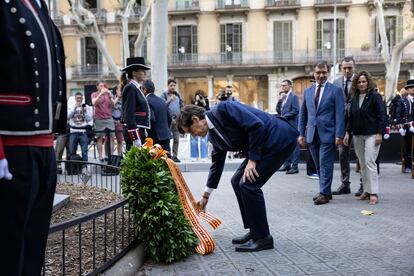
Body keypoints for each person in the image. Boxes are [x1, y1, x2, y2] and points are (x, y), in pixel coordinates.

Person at [0, 0, 67, 274]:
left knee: (31, 252)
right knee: (7, 254)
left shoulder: (40, 6)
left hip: (43, 146)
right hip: (11, 148)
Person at [177, 102, 299, 252]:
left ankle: (263, 238)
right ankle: (255, 230)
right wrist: (205, 196)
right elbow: (217, 164)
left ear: (196, 119)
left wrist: (252, 160)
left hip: (278, 139)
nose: (193, 135)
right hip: (264, 146)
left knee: (248, 184)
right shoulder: (213, 136)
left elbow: (256, 126)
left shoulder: (224, 109)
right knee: (236, 181)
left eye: (190, 131)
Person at [298, 61, 345, 205]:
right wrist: (301, 134)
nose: (321, 75)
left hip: (328, 134)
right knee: (318, 165)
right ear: (314, 73)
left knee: (325, 163)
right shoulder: (307, 91)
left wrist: (339, 135)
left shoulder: (336, 90)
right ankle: (325, 190)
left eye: (324, 72)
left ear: (328, 73)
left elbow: (340, 114)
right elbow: (303, 115)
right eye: (318, 72)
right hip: (312, 134)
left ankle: (324, 193)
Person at [343, 71, 386, 205]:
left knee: (370, 162)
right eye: (359, 82)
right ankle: (366, 191)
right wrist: (347, 132)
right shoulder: (354, 97)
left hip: (372, 134)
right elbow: (351, 117)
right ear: (356, 84)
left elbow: (382, 116)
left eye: (364, 81)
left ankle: (373, 193)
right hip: (357, 134)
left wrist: (380, 133)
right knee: (362, 163)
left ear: (368, 82)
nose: (361, 84)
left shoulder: (375, 96)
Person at [332, 57, 356, 196]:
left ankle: (363, 185)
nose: (347, 71)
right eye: (344, 68)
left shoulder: (360, 81)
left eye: (350, 68)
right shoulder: (336, 83)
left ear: (354, 67)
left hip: (358, 124)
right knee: (342, 155)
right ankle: (345, 184)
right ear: (341, 68)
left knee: (361, 156)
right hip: (342, 125)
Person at [121, 57, 151, 150]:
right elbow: (129, 115)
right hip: (135, 132)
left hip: (140, 130)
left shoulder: (136, 88)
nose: (144, 73)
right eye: (142, 70)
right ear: (134, 73)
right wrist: (135, 138)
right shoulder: (131, 88)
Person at [68, 92, 93, 182]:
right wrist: (75, 107)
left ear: (82, 98)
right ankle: (74, 168)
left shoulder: (86, 107)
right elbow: (68, 116)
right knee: (72, 151)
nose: (79, 99)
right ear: (75, 98)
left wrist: (85, 111)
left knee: (84, 151)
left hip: (83, 131)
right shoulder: (71, 106)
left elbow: (90, 119)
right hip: (73, 131)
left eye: (80, 98)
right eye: (77, 98)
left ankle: (84, 168)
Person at [142, 80, 172, 154]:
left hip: (154, 137)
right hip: (165, 135)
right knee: (167, 161)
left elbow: (151, 119)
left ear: (144, 90)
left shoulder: (146, 101)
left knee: (155, 162)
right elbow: (169, 117)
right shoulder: (162, 101)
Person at [277, 80, 300, 174]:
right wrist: (279, 100)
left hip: (292, 125)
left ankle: (295, 167)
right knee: (286, 146)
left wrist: (283, 117)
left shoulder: (293, 96)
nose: (283, 87)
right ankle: (287, 165)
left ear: (290, 86)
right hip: (285, 126)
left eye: (285, 85)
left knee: (294, 146)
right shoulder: (284, 97)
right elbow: (279, 110)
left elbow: (295, 111)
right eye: (282, 86)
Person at [91, 81, 116, 162]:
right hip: (99, 119)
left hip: (109, 118)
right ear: (97, 86)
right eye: (100, 85)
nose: (102, 87)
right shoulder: (94, 94)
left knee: (111, 137)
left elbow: (113, 105)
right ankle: (100, 156)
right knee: (100, 138)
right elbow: (94, 103)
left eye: (103, 85)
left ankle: (110, 155)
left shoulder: (108, 94)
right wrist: (101, 94)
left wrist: (110, 95)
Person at [162, 79, 183, 162]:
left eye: (174, 85)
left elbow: (181, 106)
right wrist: (170, 100)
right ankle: (168, 155)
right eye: (171, 85)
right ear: (168, 86)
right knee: (167, 139)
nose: (173, 87)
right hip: (167, 120)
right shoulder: (164, 95)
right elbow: (162, 106)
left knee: (176, 139)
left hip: (176, 120)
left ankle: (175, 156)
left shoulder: (178, 95)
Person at [396, 80, 414, 173]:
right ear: (407, 90)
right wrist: (400, 128)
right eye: (411, 88)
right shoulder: (402, 101)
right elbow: (398, 115)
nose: (413, 89)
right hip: (407, 126)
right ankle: (408, 165)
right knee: (408, 146)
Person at [191, 90, 210, 161]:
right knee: (193, 140)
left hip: (203, 122)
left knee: (203, 140)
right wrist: (196, 102)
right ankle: (194, 156)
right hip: (194, 122)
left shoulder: (206, 100)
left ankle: (204, 156)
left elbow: (208, 110)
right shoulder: (194, 101)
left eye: (201, 95)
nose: (200, 97)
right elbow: (191, 111)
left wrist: (204, 103)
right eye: (198, 95)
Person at [112, 74, 126, 156]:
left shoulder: (124, 99)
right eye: (119, 90)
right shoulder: (112, 98)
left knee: (120, 140)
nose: (121, 91)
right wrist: (118, 97)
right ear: (116, 91)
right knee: (110, 140)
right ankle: (110, 156)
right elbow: (112, 105)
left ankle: (119, 155)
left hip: (120, 122)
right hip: (112, 121)